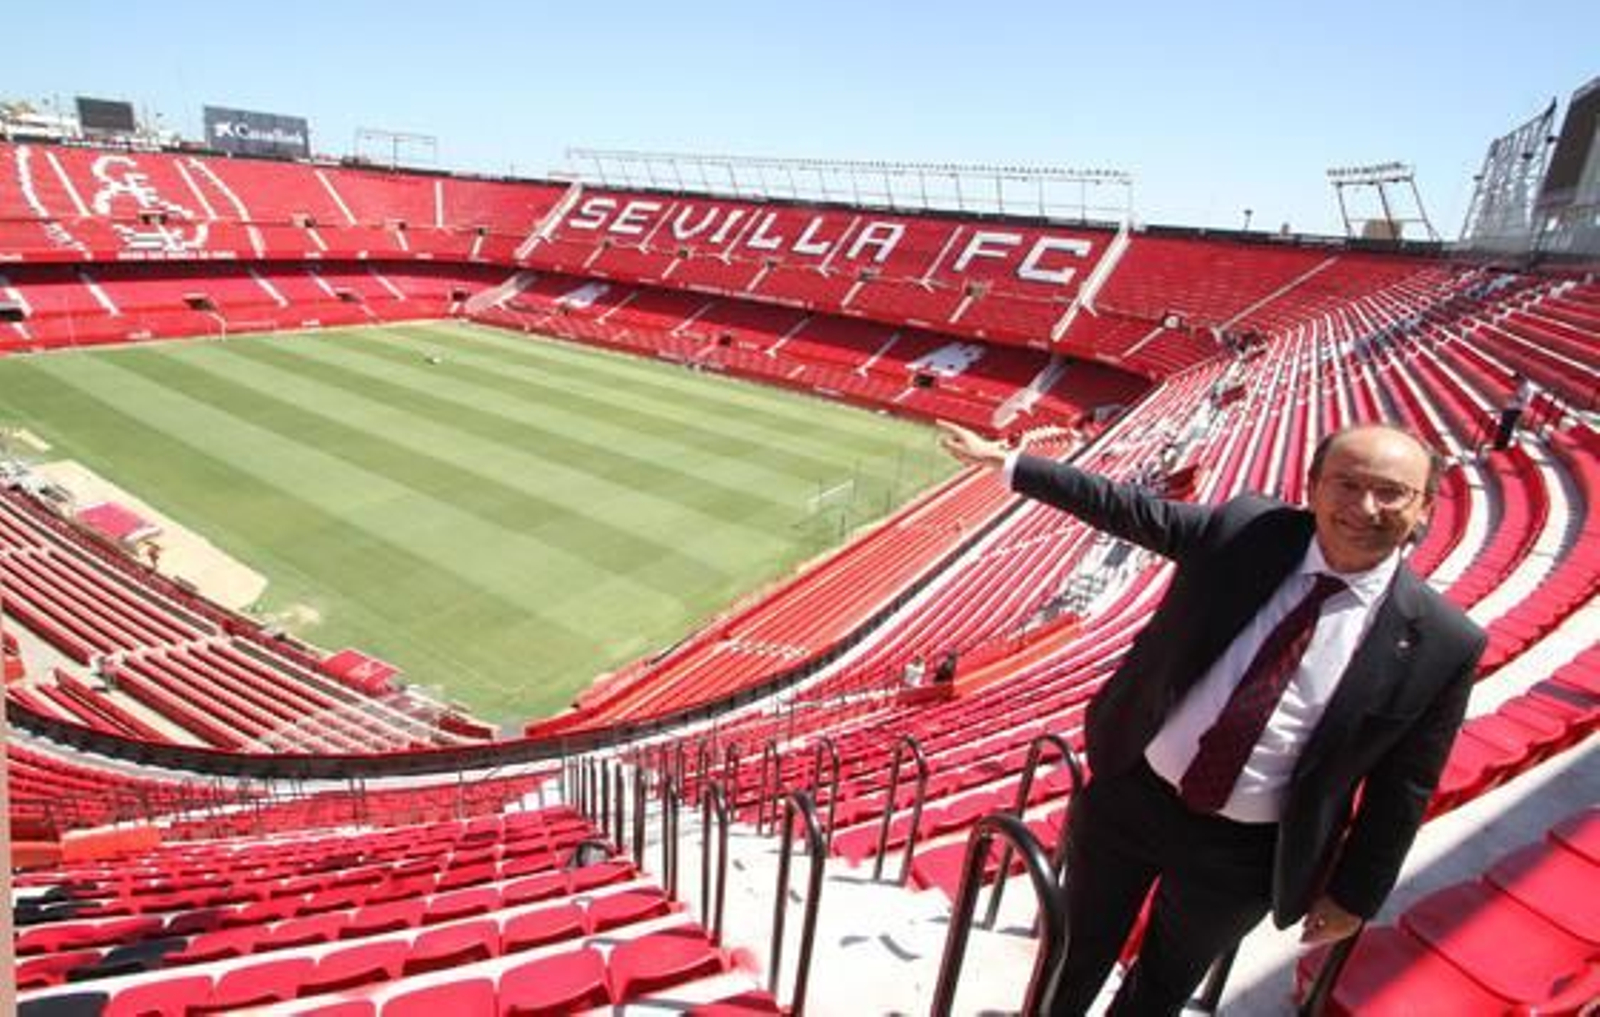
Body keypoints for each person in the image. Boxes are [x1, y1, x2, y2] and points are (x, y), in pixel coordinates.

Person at [936, 420, 1486, 1016]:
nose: (1364, 507)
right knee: (1073, 953)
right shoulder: (1248, 532)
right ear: (1312, 486)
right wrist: (1013, 465)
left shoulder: (1444, 642)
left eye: (1391, 492)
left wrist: (1355, 893)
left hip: (1246, 853)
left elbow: (1403, 785)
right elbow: (1129, 510)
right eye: (1346, 484)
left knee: (1162, 987)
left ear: (1426, 505)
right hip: (1133, 798)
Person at [1493, 373, 1536, 450]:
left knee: (1507, 427)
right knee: (1503, 427)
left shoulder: (1528, 388)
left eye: (1517, 381)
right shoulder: (1522, 386)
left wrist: (1513, 396)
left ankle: (1502, 445)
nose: (1516, 383)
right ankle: (1498, 444)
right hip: (1510, 408)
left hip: (1516, 409)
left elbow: (1524, 401)